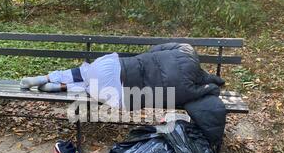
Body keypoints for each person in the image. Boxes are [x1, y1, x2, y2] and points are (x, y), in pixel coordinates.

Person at [20, 43, 224, 110]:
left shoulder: (185, 52)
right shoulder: (187, 90)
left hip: (115, 67)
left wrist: (147, 59)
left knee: (85, 72)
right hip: (121, 96)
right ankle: (63, 88)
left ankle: (47, 78)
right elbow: (209, 90)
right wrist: (213, 87)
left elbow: (157, 49)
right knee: (93, 90)